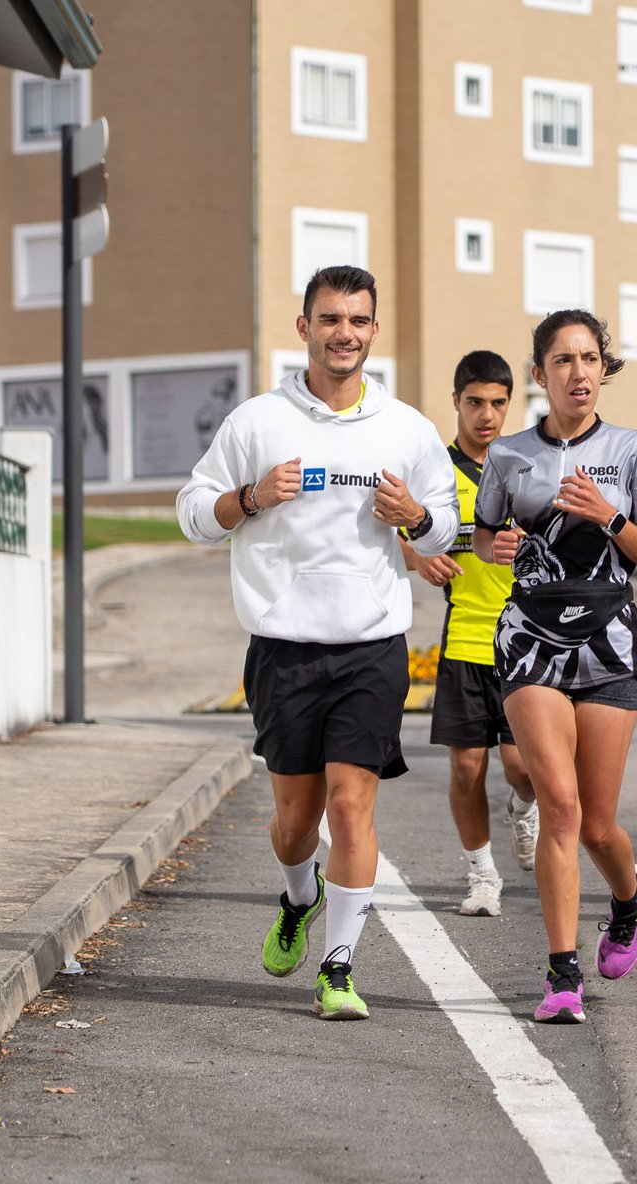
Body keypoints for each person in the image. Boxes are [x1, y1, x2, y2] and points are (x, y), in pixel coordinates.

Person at [177, 265, 460, 1021]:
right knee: (297, 823)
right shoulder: (256, 422)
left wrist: (414, 517)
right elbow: (192, 513)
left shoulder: (406, 428)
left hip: (371, 645)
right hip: (284, 648)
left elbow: (447, 524)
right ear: (304, 328)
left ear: (374, 330)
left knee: (351, 805)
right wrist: (251, 497)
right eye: (330, 319)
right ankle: (299, 896)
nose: (345, 333)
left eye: (358, 320)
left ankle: (337, 969)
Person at [472, 309, 637, 1025]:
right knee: (558, 806)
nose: (578, 373)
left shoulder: (634, 450)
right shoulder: (508, 455)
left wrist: (610, 517)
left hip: (610, 635)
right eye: (563, 361)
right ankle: (562, 977)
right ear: (539, 375)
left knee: (596, 825)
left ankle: (628, 898)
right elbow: (485, 532)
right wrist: (490, 547)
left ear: (603, 369)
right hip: (530, 633)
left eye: (590, 359)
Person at [399, 350, 540, 918]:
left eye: (498, 403)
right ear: (455, 401)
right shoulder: (433, 469)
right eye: (475, 402)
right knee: (465, 768)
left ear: (510, 405)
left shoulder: (527, 464)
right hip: (464, 641)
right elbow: (388, 528)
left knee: (522, 768)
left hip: (527, 643)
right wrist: (417, 556)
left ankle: (523, 805)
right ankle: (482, 875)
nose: (486, 414)